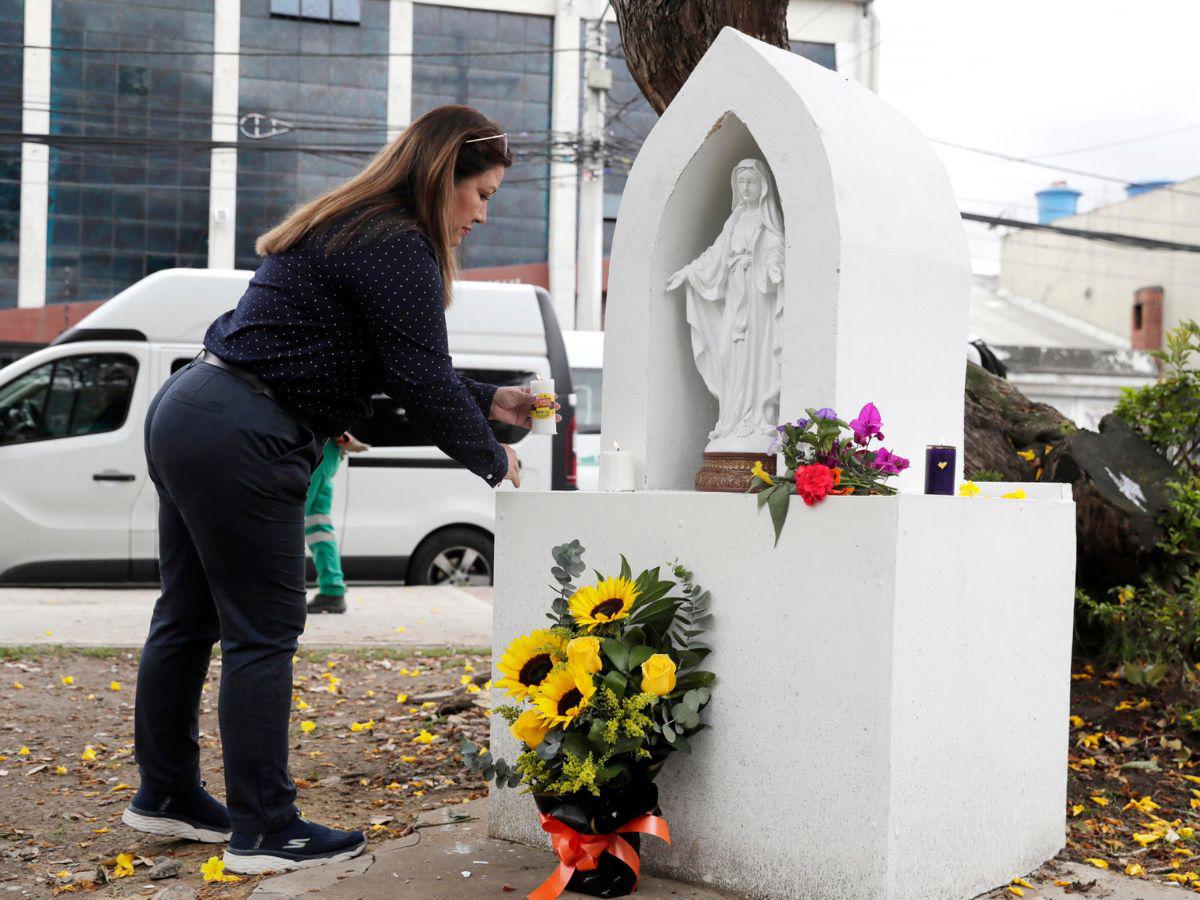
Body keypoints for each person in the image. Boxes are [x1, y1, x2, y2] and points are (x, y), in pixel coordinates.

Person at [122, 105, 558, 875]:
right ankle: (265, 829)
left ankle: (166, 796)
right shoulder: (398, 243)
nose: (483, 216)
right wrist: (492, 458)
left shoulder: (355, 223)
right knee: (263, 633)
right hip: (243, 431)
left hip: (195, 406)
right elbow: (417, 376)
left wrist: (490, 400)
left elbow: (385, 362)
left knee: (187, 618)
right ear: (443, 175)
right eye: (481, 193)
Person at [306, 432, 369, 615]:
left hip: (316, 448)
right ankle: (332, 590)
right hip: (330, 452)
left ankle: (277, 593)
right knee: (318, 524)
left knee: (289, 518)